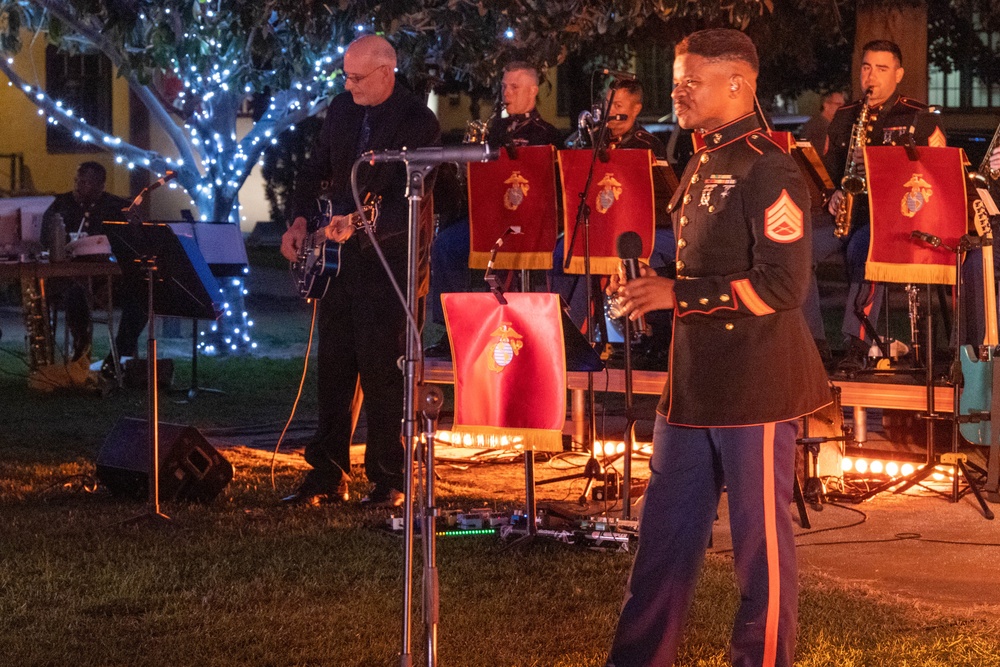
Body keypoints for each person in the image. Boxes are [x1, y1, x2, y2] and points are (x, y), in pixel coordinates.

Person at [604, 29, 830, 667]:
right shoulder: (701, 160)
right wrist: (649, 291)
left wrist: (676, 294)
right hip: (691, 386)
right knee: (663, 541)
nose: (678, 90)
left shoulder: (770, 166)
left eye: (690, 80)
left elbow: (783, 286)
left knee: (760, 549)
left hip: (756, 384)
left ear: (738, 84)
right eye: (678, 78)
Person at [280, 35, 441, 507]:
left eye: (357, 78)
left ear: (387, 72)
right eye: (345, 77)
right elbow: (313, 170)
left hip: (387, 260)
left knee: (381, 370)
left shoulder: (419, 121)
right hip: (336, 260)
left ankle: (389, 475)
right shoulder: (341, 109)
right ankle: (328, 471)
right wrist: (299, 219)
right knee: (333, 367)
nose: (348, 87)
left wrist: (360, 223)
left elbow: (412, 195)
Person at [809, 40, 944, 373]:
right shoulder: (844, 115)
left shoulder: (918, 116)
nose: (872, 76)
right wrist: (832, 195)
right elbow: (827, 170)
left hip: (891, 217)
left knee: (865, 248)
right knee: (795, 248)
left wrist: (876, 163)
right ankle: (813, 344)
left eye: (882, 69)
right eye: (866, 67)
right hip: (847, 212)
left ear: (898, 74)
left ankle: (857, 344)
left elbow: (936, 174)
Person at [425, 61, 560, 358]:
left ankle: (522, 330)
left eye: (514, 87)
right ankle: (453, 330)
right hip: (488, 218)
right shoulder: (493, 128)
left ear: (533, 91)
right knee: (445, 245)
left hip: (525, 223)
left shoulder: (547, 133)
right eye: (504, 86)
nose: (506, 93)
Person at [548, 79, 675, 367]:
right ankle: (557, 331)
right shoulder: (592, 141)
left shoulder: (647, 145)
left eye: (617, 106)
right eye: (607, 105)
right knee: (560, 254)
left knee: (596, 257)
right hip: (601, 225)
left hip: (639, 230)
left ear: (635, 109)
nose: (610, 112)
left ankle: (577, 342)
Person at [40, 161, 132, 362]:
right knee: (74, 288)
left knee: (140, 290)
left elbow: (127, 241)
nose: (79, 186)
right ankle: (80, 345)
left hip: (107, 275)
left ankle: (122, 353)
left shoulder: (117, 207)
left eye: (87, 182)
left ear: (101, 185)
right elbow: (44, 237)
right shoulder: (59, 204)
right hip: (68, 273)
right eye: (78, 181)